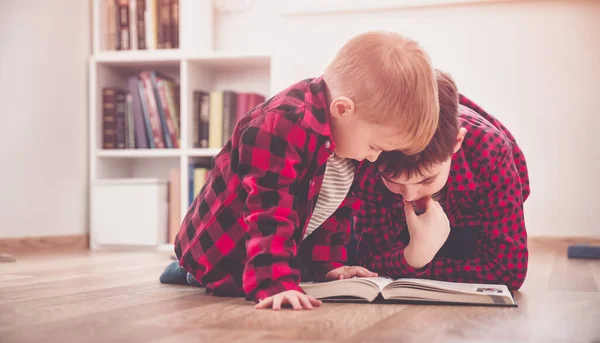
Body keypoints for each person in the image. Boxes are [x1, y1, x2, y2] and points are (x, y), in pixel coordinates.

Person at [160, 31, 441, 310]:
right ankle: (186, 270)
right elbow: (270, 213)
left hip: (267, 254)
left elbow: (335, 214)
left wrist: (330, 268)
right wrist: (275, 284)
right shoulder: (279, 126)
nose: (374, 156)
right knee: (209, 275)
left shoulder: (348, 142)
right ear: (343, 109)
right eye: (374, 146)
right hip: (219, 253)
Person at [351, 70, 530, 290]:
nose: (409, 195)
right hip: (402, 235)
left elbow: (508, 271)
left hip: (469, 224)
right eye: (391, 179)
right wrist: (414, 257)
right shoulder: (369, 155)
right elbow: (370, 257)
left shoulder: (490, 150)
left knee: (463, 246)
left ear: (457, 143)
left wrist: (413, 267)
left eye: (426, 180)